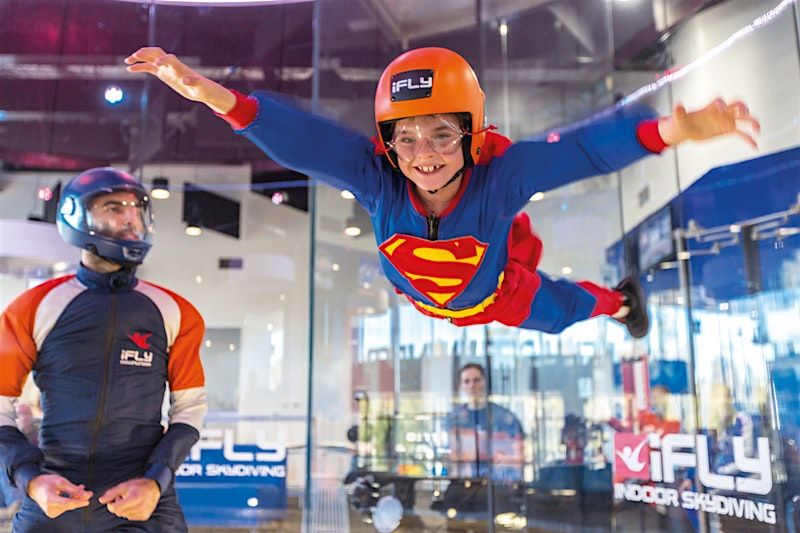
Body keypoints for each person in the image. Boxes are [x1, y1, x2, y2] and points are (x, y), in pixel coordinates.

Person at [126, 46, 760, 339]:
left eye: (440, 136)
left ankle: (621, 305)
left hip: (494, 295)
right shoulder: (377, 176)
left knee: (564, 314)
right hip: (419, 296)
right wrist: (206, 90)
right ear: (387, 143)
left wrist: (674, 129)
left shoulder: (499, 179)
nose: (422, 155)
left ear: (472, 137)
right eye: (406, 139)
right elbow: (302, 140)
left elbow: (583, 152)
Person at [0, 168, 207, 532]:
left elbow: (189, 409)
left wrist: (157, 481)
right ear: (76, 217)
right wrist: (31, 480)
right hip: (53, 495)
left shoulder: (175, 311)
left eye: (135, 209)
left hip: (142, 498)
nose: (130, 218)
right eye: (114, 207)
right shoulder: (33, 307)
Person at [446, 363, 524, 482]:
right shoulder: (454, 419)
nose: (472, 385)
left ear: (485, 382)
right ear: (461, 386)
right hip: (464, 484)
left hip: (498, 485)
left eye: (476, 380)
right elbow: (451, 455)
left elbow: (519, 457)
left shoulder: (505, 418)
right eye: (466, 381)